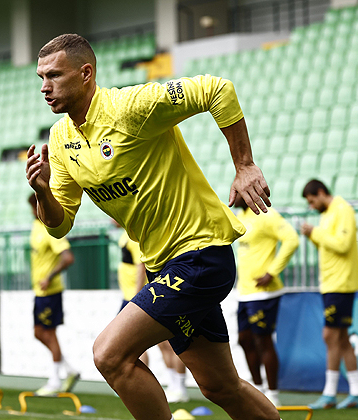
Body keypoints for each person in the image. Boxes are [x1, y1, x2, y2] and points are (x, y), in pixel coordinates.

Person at [26, 33, 278, 420]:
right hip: (164, 265)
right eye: (41, 78)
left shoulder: (129, 107)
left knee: (109, 353)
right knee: (220, 386)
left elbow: (217, 89)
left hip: (200, 254)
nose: (45, 87)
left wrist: (244, 165)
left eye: (54, 76)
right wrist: (43, 192)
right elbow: (59, 226)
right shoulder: (60, 140)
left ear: (86, 73)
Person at [300, 180, 358, 409]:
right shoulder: (327, 214)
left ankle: (329, 393)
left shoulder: (343, 209)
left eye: (311, 201)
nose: (311, 206)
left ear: (320, 193)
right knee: (342, 338)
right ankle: (357, 392)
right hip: (330, 283)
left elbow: (344, 244)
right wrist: (314, 237)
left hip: (341, 283)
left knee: (330, 335)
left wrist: (315, 233)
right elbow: (329, 247)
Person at [234, 196, 299, 407]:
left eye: (237, 192)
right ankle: (258, 390)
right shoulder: (240, 216)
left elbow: (292, 239)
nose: (232, 197)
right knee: (244, 339)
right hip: (244, 292)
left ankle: (273, 395)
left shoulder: (266, 214)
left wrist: (272, 272)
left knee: (263, 341)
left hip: (264, 293)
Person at [117, 222, 189, 403]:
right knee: (158, 345)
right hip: (131, 296)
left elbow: (141, 267)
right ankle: (174, 386)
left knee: (166, 345)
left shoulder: (134, 237)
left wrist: (135, 295)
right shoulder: (126, 235)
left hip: (139, 297)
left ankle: (178, 387)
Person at [28, 194, 81, 396]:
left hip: (50, 291)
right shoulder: (35, 227)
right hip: (40, 292)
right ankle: (69, 370)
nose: (35, 212)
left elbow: (68, 258)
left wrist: (49, 277)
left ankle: (54, 381)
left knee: (48, 333)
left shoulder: (49, 231)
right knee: (39, 333)